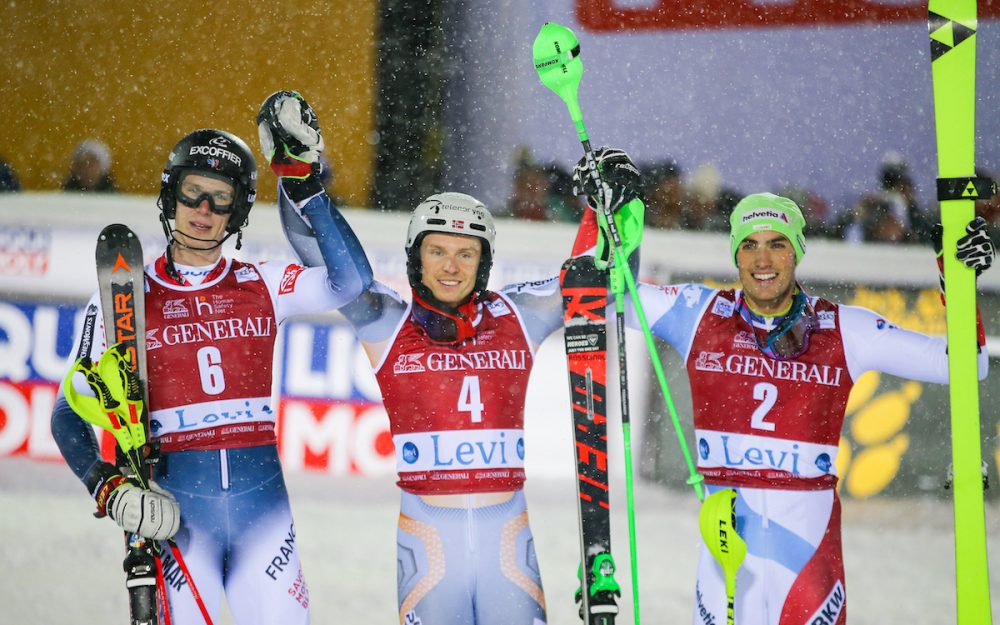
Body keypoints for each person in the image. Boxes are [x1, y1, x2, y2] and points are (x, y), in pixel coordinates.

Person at [571, 149, 994, 625]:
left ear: (797, 250)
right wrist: (606, 208)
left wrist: (957, 282)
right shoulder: (699, 312)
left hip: (808, 558)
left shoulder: (844, 328)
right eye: (749, 245)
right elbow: (600, 299)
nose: (763, 259)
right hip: (728, 556)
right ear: (735, 253)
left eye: (777, 243)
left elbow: (964, 365)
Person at [277, 98, 639, 625]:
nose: (451, 266)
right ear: (415, 258)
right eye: (437, 251)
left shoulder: (517, 313)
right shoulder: (387, 321)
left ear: (483, 261)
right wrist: (299, 183)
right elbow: (319, 254)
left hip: (509, 549)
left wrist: (611, 204)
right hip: (428, 552)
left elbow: (600, 286)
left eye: (466, 253)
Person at [51, 99, 372, 625]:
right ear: (169, 195)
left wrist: (306, 186)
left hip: (264, 521)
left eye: (220, 200)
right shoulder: (121, 294)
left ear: (239, 212)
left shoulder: (265, 283)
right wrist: (107, 486)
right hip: (175, 519)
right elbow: (68, 412)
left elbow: (351, 281)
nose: (203, 210)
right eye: (192, 193)